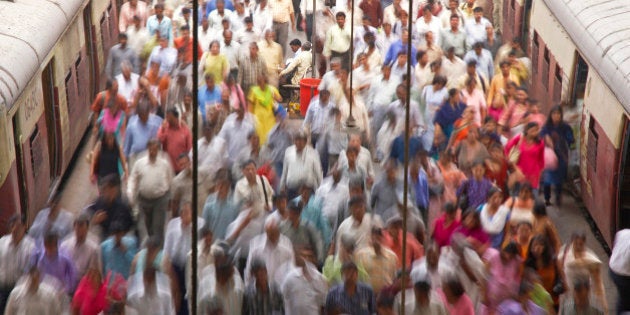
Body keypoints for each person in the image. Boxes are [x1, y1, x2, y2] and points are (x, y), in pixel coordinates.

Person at [127, 139, 174, 243]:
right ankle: (151, 246)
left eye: (155, 149)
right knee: (148, 226)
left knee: (158, 226)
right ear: (148, 149)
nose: (153, 152)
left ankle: (159, 249)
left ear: (158, 150)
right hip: (144, 200)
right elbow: (133, 179)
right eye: (151, 149)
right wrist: (131, 194)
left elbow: (170, 181)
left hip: (160, 200)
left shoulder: (164, 164)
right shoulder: (140, 163)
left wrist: (171, 198)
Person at [558, 232, 608, 314]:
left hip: (583, 294)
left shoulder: (590, 259)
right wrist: (563, 281)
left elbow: (598, 281)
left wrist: (602, 301)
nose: (578, 246)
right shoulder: (565, 253)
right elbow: (559, 265)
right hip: (568, 293)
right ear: (571, 243)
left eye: (580, 244)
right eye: (575, 243)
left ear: (584, 244)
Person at [0, 214, 36, 313]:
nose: (15, 229)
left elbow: (31, 271)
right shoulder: (2, 243)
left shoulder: (30, 247)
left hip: (19, 291)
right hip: (2, 289)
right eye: (13, 226)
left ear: (24, 227)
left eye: (18, 226)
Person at [246, 216, 295, 286]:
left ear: (279, 231)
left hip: (282, 288)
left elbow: (292, 268)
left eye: (275, 233)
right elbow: (249, 269)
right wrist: (248, 287)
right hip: (262, 288)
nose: (273, 237)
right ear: (266, 232)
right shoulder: (255, 243)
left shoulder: (287, 243)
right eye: (270, 233)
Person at [541, 105, 575, 206]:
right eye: (554, 114)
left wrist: (568, 139)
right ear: (550, 115)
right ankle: (547, 198)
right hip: (549, 157)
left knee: (559, 180)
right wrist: (546, 137)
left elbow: (570, 138)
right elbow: (541, 136)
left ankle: (558, 197)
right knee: (547, 179)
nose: (556, 116)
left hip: (561, 157)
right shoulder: (546, 127)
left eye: (558, 114)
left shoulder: (565, 127)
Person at [84, 174, 134, 240]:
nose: (103, 192)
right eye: (103, 189)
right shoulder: (98, 202)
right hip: (104, 237)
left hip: (120, 238)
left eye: (106, 189)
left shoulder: (124, 205)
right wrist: (94, 220)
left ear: (114, 190)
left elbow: (130, 225)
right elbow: (86, 217)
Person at [281, 247, 328, 314]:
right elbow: (284, 299)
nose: (306, 259)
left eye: (309, 256)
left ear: (314, 259)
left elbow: (323, 304)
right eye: (303, 256)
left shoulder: (321, 279)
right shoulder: (289, 278)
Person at [59, 214, 102, 288]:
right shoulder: (64, 245)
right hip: (66, 284)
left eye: (81, 226)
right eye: (77, 226)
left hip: (83, 286)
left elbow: (92, 273)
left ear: (87, 228)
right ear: (74, 227)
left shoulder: (93, 249)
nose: (79, 229)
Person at [280, 130, 323, 199]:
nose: (299, 143)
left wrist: (320, 191)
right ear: (294, 141)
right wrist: (282, 187)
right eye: (297, 140)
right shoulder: (288, 151)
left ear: (305, 142)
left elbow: (318, 173)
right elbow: (285, 171)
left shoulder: (313, 153)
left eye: (301, 140)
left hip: (307, 191)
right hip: (292, 191)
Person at [505, 122, 546, 192]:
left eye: (537, 130)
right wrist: (514, 166)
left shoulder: (540, 143)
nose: (535, 133)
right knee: (518, 196)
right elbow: (507, 148)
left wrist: (540, 173)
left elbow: (541, 159)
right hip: (520, 173)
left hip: (533, 175)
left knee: (532, 197)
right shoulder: (519, 138)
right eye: (532, 130)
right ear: (527, 130)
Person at [525, 234, 563, 309]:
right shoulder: (528, 264)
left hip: (553, 301)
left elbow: (562, 277)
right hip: (536, 303)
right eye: (534, 245)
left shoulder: (553, 261)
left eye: (540, 245)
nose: (537, 248)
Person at [157, 108, 193, 173]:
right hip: (169, 167)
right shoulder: (164, 128)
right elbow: (159, 141)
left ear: (176, 117)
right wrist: (163, 129)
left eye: (169, 117)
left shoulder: (184, 128)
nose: (167, 119)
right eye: (167, 117)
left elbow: (190, 148)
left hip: (182, 167)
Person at [609, 228, 630, 314]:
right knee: (626, 300)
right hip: (623, 276)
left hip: (612, 268)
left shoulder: (624, 232)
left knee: (624, 296)